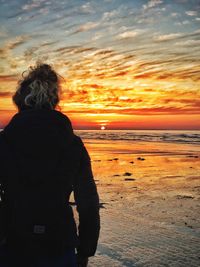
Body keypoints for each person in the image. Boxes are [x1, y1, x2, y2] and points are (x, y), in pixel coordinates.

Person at [0, 63, 100, 267]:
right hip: (59, 243)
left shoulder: (4, 142)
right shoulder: (73, 145)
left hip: (11, 241)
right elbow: (88, 203)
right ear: (54, 101)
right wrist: (85, 250)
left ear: (19, 100)